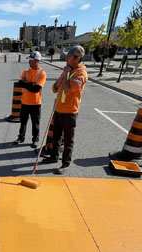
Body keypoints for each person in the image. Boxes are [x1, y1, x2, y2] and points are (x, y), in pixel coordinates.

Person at [42, 45, 88, 175]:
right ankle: (53, 157)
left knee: (68, 139)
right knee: (56, 136)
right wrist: (59, 81)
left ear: (76, 58)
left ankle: (65, 163)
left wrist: (67, 74)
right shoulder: (67, 70)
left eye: (68, 56)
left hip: (70, 112)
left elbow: (69, 89)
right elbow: (55, 88)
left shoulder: (81, 73)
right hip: (59, 108)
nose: (66, 58)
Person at [13, 51, 47, 148]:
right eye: (29, 60)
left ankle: (35, 139)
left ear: (37, 61)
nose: (29, 62)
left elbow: (36, 89)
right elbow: (20, 83)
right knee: (23, 122)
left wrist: (26, 84)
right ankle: (21, 137)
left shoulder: (42, 73)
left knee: (35, 123)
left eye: (31, 60)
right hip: (24, 102)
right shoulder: (25, 72)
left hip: (36, 103)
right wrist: (31, 84)